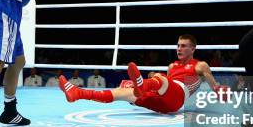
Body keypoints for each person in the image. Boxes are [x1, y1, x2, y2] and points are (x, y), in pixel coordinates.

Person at [59, 35, 228, 114]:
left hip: (178, 98)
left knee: (159, 78)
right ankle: (78, 93)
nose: (179, 49)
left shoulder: (200, 65)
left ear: (193, 49)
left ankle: (141, 85)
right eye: (178, 45)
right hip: (163, 103)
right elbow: (165, 86)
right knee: (122, 93)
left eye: (184, 46)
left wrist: (222, 93)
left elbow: (215, 86)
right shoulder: (171, 65)